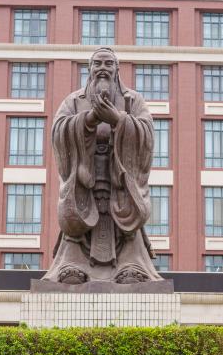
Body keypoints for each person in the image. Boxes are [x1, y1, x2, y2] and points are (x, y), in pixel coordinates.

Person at [42, 46, 165, 285]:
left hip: (119, 177)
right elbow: (58, 132)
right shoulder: (74, 100)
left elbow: (147, 135)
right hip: (85, 176)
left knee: (126, 223)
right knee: (78, 219)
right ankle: (72, 264)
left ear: (117, 69)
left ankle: (131, 264)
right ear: (89, 69)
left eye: (108, 63)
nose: (102, 68)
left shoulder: (133, 100)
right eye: (97, 63)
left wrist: (118, 119)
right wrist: (88, 120)